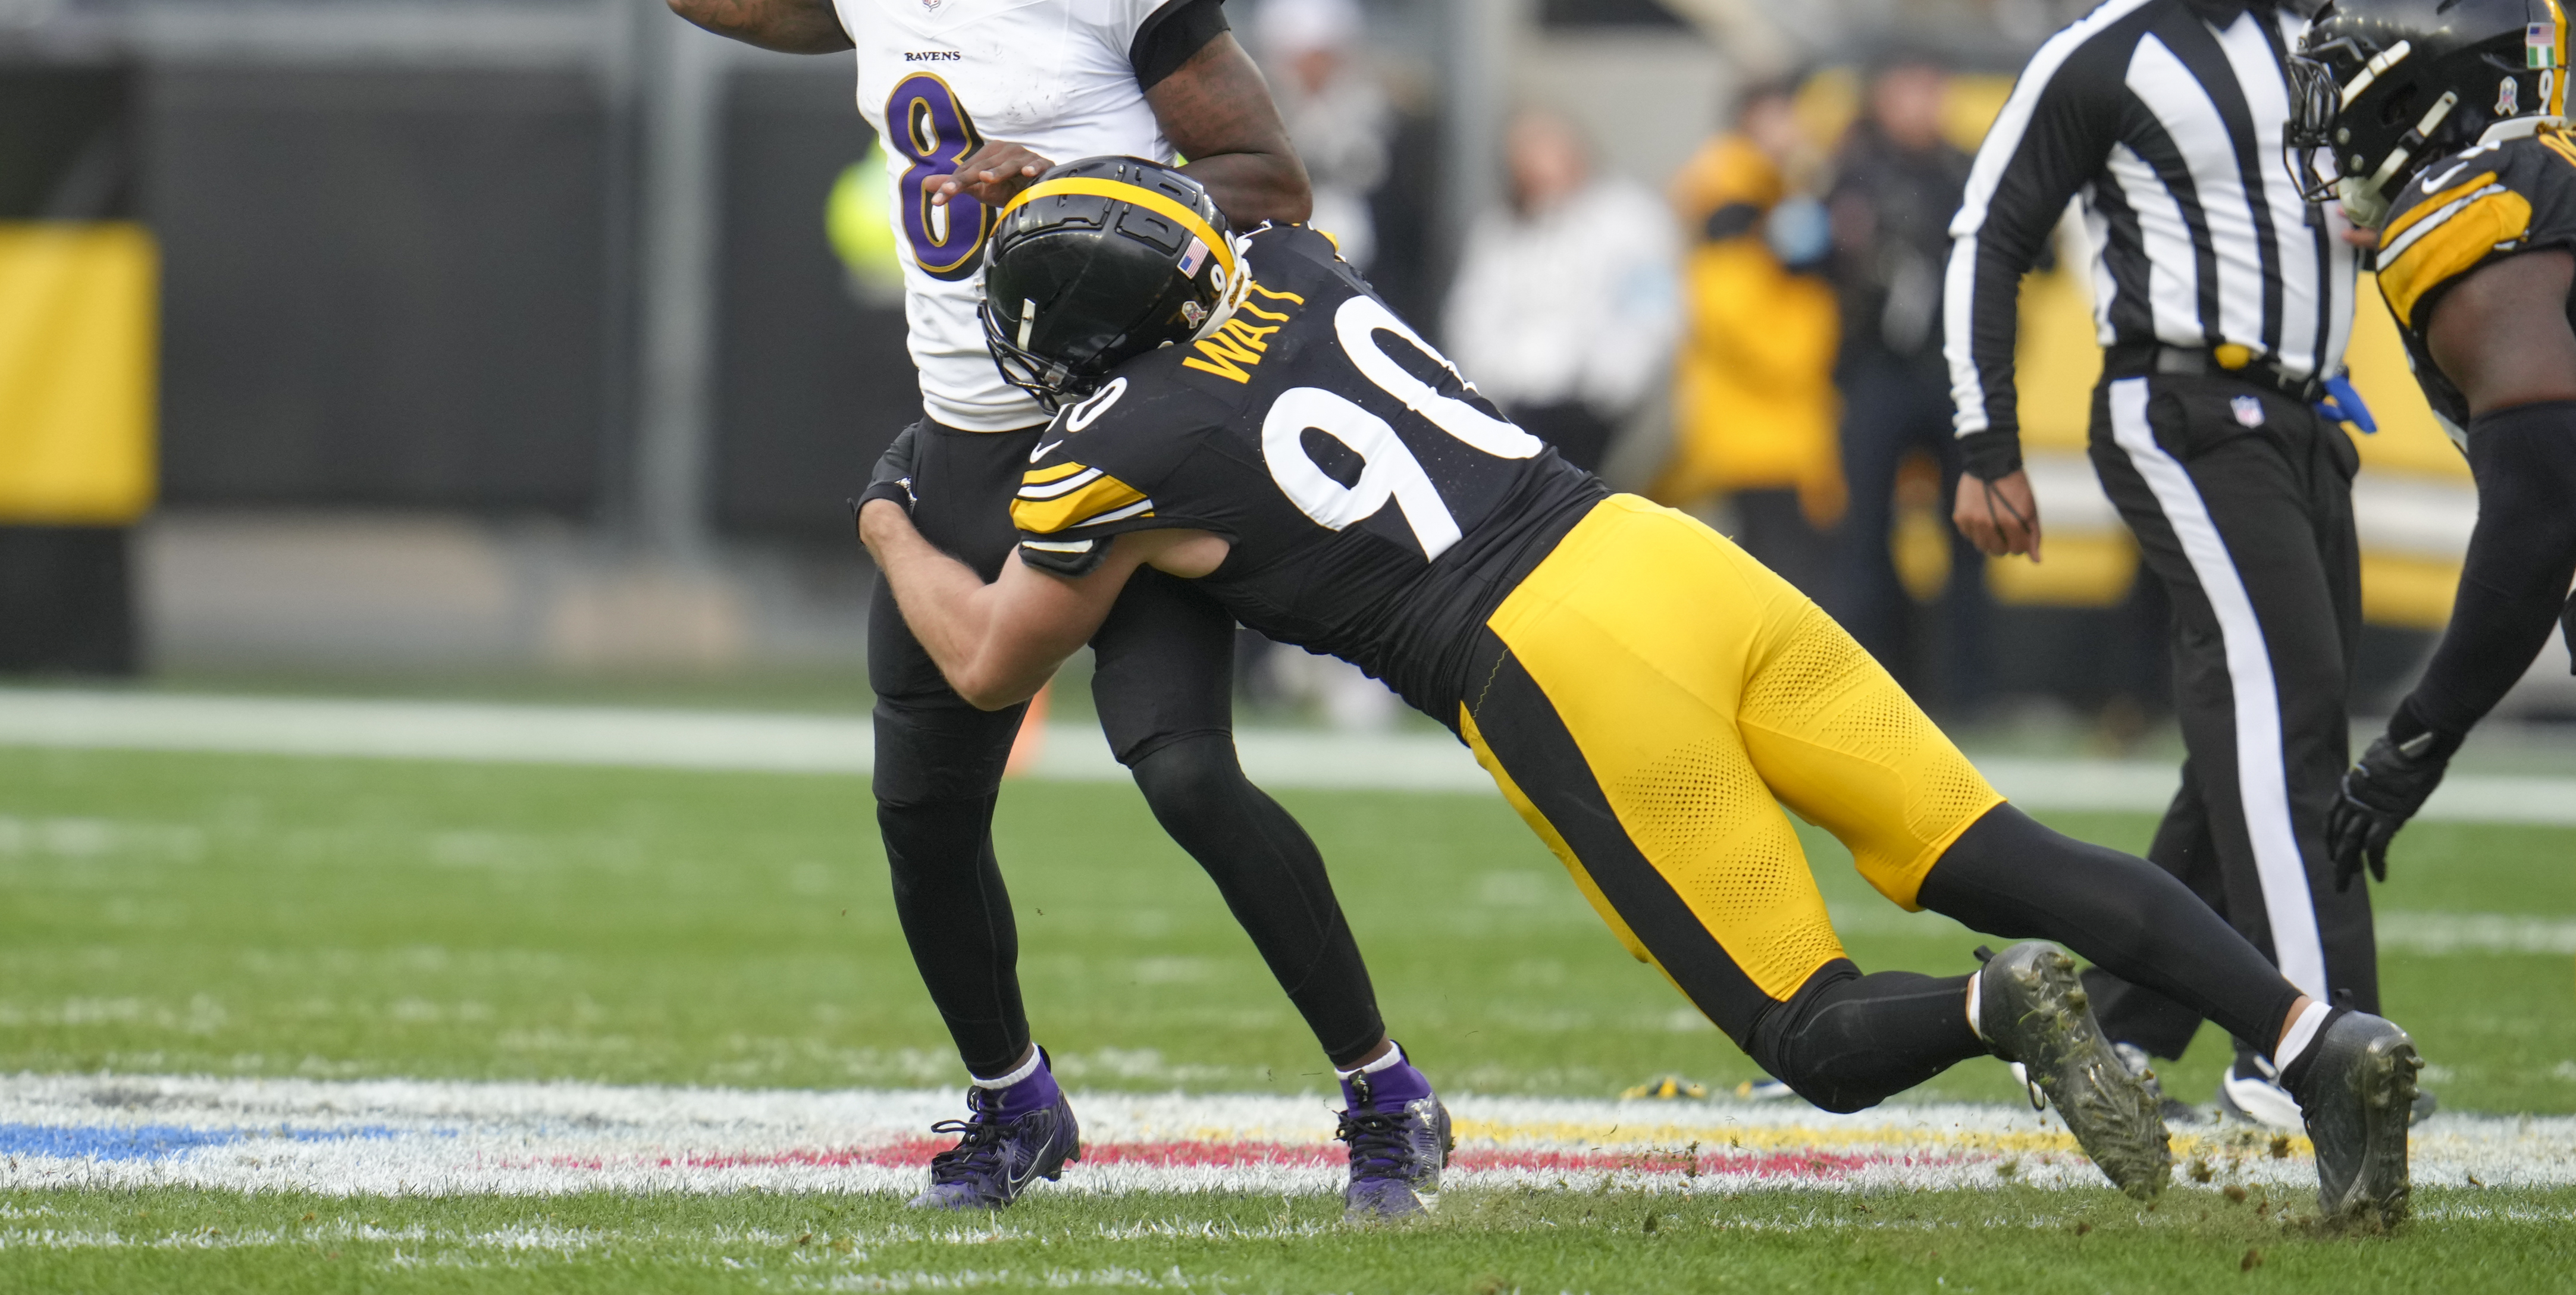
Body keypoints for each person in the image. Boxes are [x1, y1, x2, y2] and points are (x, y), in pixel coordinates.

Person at [858, 155, 2421, 1224]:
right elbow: (1215, 235)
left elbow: (990, 653)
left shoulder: (1110, 448)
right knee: (1996, 845)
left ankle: (1988, 1001)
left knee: (1804, 1024)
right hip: (1656, 547)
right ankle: (2316, 1031)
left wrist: (882, 514)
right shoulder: (1290, 260)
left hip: (1552, 656)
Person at [662, 0, 1420, 1216]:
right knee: (922, 811)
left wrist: (1082, 192)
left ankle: (1382, 1092)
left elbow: (1269, 185)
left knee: (1188, 772)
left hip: (1128, 413)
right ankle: (1014, 1105)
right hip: (963, 431)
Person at [1944, 0, 2384, 1130]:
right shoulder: (2107, 47)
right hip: (2181, 410)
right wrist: (1982, 441)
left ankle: (2119, 1029)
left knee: (2245, 737)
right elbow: (1989, 230)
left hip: (2310, 421)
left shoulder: (2341, 37)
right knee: (2285, 711)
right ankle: (2310, 1048)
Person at [2279, 0, 2576, 887]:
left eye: (2343, 90)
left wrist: (2421, 733)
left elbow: (2542, 501)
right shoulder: (2543, 177)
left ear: (2420, 94)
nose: (2329, 126)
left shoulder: (2476, 214)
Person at [1825, 61, 1992, 714]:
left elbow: (2033, 255)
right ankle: (1864, 687)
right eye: (1904, 91)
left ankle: (1965, 694)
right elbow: (1802, 251)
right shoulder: (1855, 172)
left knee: (1970, 538)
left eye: (1928, 90)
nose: (1917, 105)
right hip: (1876, 374)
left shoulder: (1967, 170)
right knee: (1863, 536)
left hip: (1956, 375)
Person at [1662, 84, 1844, 591]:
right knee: (1786, 584)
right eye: (1785, 117)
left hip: (1774, 431)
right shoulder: (1732, 202)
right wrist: (1816, 320)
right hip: (1758, 433)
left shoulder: (1772, 195)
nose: (1799, 131)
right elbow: (1745, 325)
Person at [1443, 107, 1682, 471]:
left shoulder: (1630, 217)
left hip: (1600, 405)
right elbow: (1474, 312)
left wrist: (1615, 380)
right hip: (1520, 405)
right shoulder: (1501, 230)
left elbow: (1652, 305)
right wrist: (1494, 382)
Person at [1251, 0, 1394, 272]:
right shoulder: (1255, 116)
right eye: (1303, 58)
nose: (1314, 69)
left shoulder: (1371, 111)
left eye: (1324, 57)